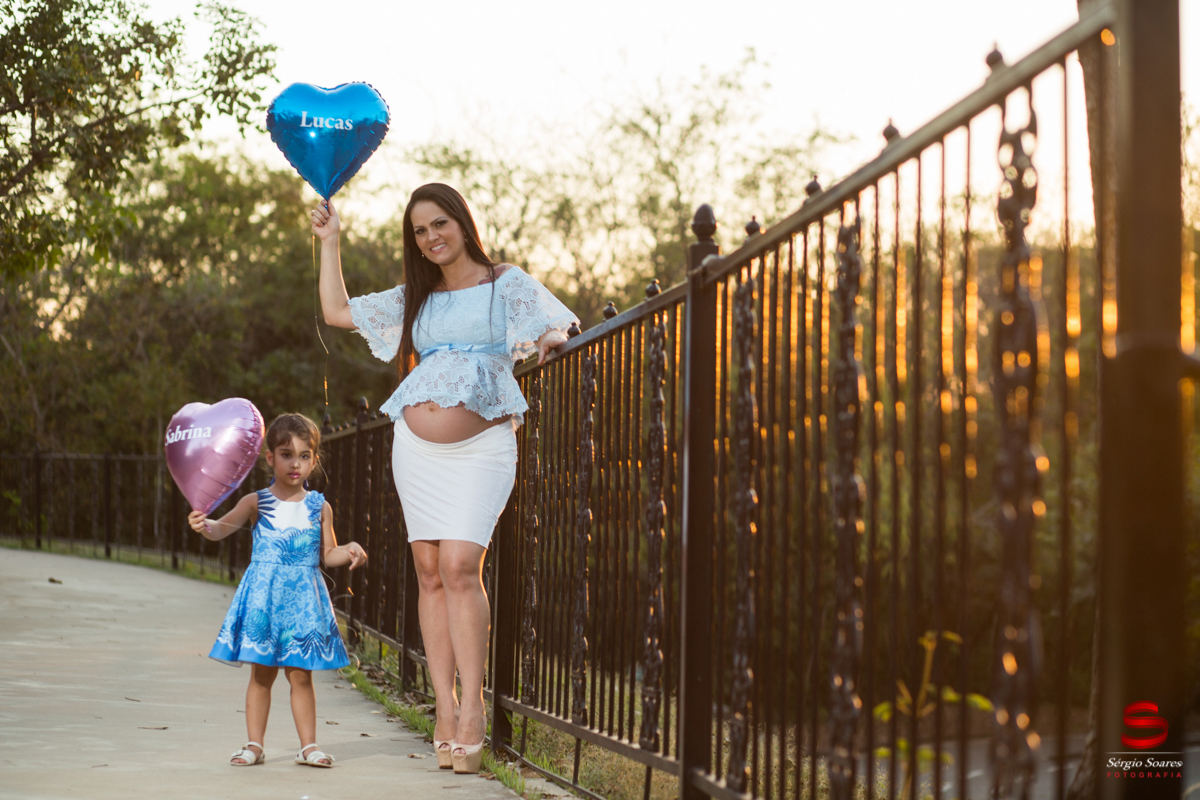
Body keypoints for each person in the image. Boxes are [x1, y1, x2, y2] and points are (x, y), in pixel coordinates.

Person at [311, 183, 577, 774]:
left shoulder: (504, 282)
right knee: (429, 573)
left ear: (462, 220)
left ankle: (474, 705)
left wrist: (552, 340)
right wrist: (330, 243)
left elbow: (550, 326)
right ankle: (443, 707)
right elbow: (337, 312)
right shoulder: (418, 298)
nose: (431, 237)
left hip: (482, 445)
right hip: (416, 451)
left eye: (439, 224)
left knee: (460, 565)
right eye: (419, 231)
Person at [187, 413, 368, 768]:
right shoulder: (257, 502)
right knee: (262, 673)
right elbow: (220, 529)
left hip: (302, 602)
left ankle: (309, 746)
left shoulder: (319, 507)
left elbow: (327, 554)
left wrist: (349, 549)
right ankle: (254, 744)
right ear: (270, 457)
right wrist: (202, 524)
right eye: (287, 454)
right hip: (265, 601)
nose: (295, 463)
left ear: (314, 460)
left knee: (301, 675)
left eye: (304, 455)